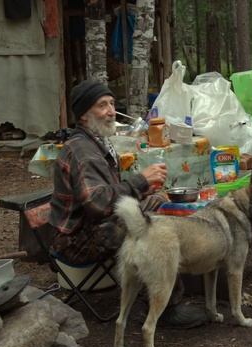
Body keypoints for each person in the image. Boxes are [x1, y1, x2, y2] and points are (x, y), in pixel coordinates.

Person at [49, 79, 206, 327]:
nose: (111, 111)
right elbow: (98, 204)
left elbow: (108, 198)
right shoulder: (81, 151)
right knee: (155, 228)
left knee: (156, 204)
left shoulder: (93, 143)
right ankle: (165, 307)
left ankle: (163, 293)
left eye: (112, 103)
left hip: (92, 227)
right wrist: (140, 181)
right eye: (102, 105)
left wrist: (145, 193)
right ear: (83, 115)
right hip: (76, 240)